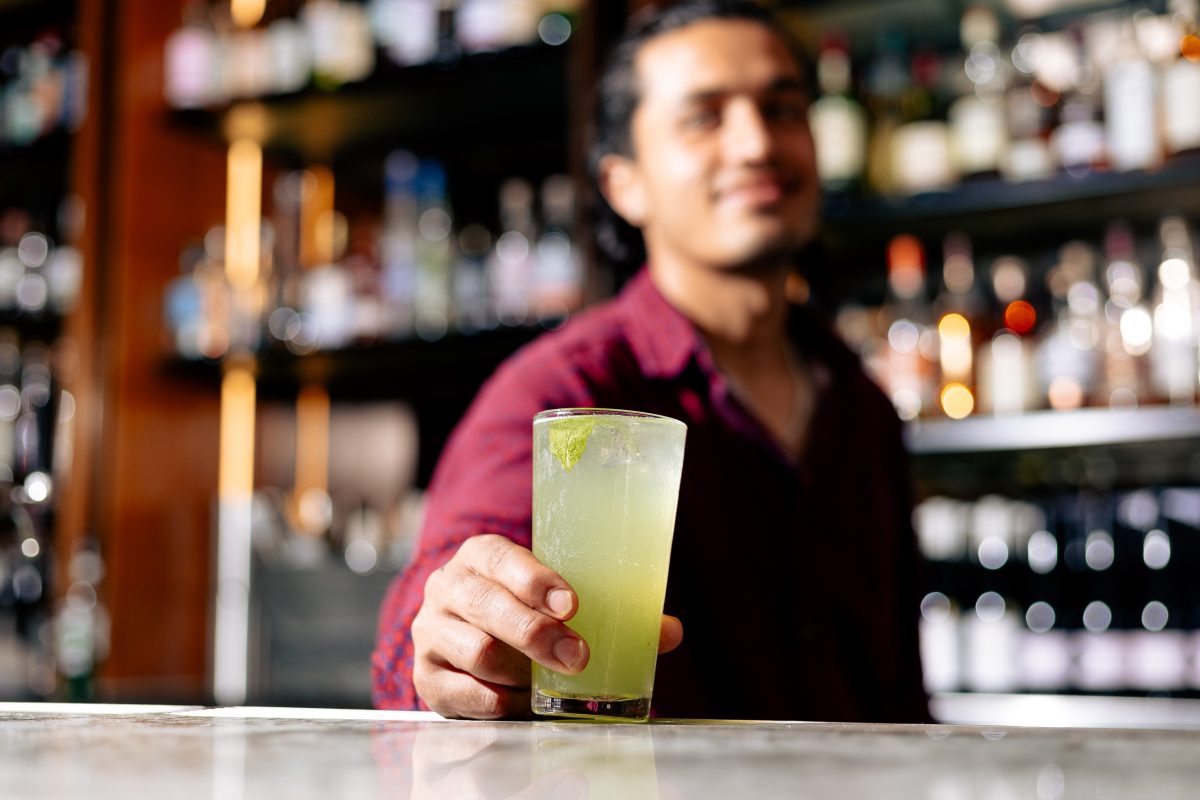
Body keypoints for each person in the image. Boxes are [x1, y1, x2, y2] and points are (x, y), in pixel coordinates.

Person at [373, 0, 929, 722]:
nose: (758, 142)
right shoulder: (563, 387)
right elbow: (430, 615)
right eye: (705, 117)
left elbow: (903, 693)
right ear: (622, 183)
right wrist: (453, 637)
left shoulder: (862, 407)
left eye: (783, 108)